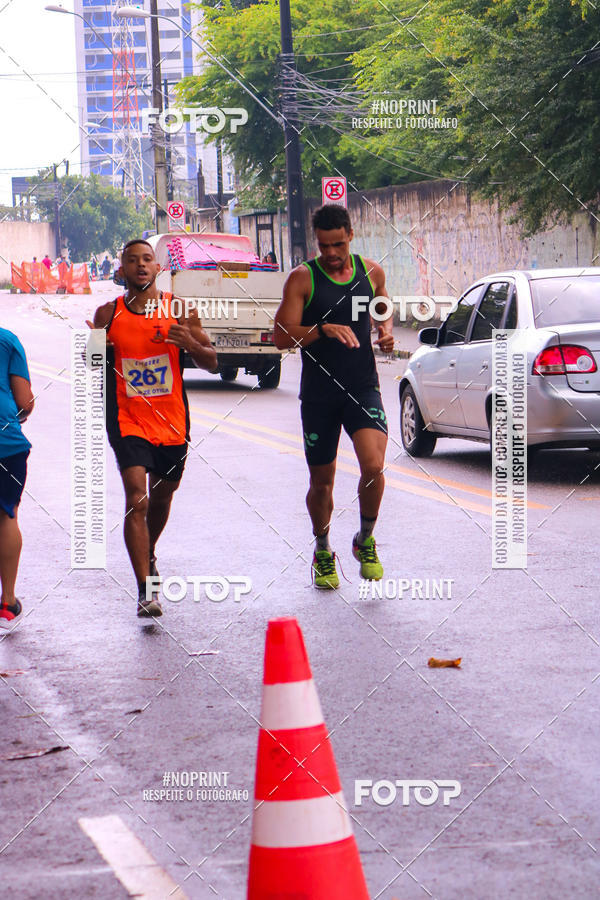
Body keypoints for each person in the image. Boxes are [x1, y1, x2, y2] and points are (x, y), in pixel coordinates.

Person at [89, 239, 217, 618]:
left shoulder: (178, 308)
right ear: (123, 270)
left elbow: (212, 362)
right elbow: (93, 364)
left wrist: (189, 341)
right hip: (126, 418)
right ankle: (146, 589)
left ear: (157, 268)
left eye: (147, 260)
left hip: (171, 419)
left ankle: (149, 551)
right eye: (133, 260)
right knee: (136, 499)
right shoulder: (106, 313)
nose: (141, 266)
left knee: (161, 498)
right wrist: (96, 346)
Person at [274, 204, 394, 589]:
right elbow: (280, 337)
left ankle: (365, 539)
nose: (330, 253)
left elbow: (382, 305)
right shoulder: (302, 279)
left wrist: (386, 330)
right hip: (320, 395)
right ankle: (324, 549)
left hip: (362, 386)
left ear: (350, 236)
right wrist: (321, 329)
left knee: (374, 468)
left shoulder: (371, 272)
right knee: (322, 481)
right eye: (324, 246)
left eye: (337, 244)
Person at [0, 329, 34, 629]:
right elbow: (25, 402)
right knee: (6, 516)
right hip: (7, 445)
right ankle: (8, 601)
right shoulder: (7, 340)